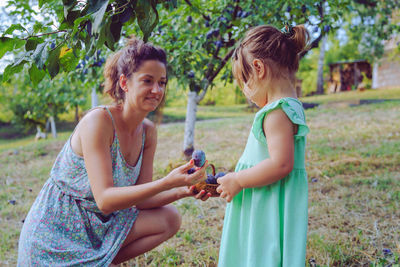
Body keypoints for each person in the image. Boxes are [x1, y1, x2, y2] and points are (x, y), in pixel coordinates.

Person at [17, 37, 211, 266]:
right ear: (124, 83)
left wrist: (184, 190)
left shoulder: (148, 131)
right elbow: (105, 200)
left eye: (162, 82)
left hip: (100, 229)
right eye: (147, 81)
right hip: (56, 233)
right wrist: (168, 182)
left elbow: (143, 201)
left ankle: (100, 262)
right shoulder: (98, 121)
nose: (157, 90)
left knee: (169, 219)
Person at [216, 24, 310, 266]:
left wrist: (238, 180)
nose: (246, 92)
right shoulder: (289, 105)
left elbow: (281, 164)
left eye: (245, 82)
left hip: (266, 200)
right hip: (268, 195)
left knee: (261, 252)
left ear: (258, 68)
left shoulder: (277, 112)